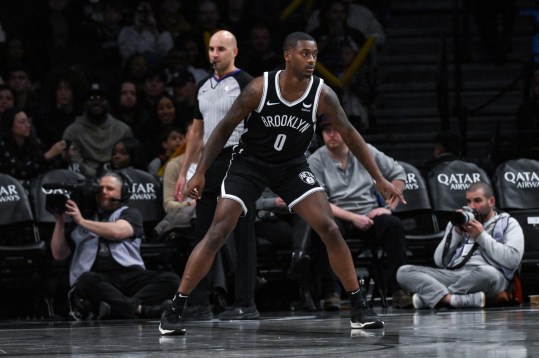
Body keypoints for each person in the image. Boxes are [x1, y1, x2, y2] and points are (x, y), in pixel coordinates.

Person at [159, 31, 405, 335]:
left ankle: (357, 307)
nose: (312, 60)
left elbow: (351, 134)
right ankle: (176, 308)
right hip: (250, 164)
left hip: (291, 167)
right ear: (287, 56)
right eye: (304, 53)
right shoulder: (259, 88)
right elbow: (223, 129)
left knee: (328, 226)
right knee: (219, 230)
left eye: (314, 54)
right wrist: (200, 172)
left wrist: (378, 177)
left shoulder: (322, 93)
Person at [172, 30, 259, 322]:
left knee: (243, 233)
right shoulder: (203, 86)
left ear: (234, 51)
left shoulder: (246, 83)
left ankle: (245, 303)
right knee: (203, 233)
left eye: (221, 49)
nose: (214, 54)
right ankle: (199, 303)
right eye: (211, 48)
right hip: (209, 163)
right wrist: (186, 171)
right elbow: (196, 132)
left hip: (239, 159)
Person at [308, 116, 409, 309]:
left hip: (369, 213)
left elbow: (398, 174)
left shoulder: (365, 151)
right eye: (326, 130)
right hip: (338, 215)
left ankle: (399, 289)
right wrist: (354, 218)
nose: (331, 134)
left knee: (393, 226)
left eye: (336, 128)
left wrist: (387, 208)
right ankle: (333, 293)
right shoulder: (316, 160)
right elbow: (319, 201)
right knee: (324, 228)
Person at [50, 171, 180, 320]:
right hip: (98, 278)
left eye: (110, 189)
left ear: (123, 192)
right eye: (101, 189)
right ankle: (140, 309)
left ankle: (117, 308)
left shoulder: (131, 214)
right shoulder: (80, 219)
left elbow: (117, 232)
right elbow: (59, 254)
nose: (104, 192)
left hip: (130, 275)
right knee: (87, 280)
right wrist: (59, 221)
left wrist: (82, 221)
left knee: (171, 279)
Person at [396, 182, 524, 309]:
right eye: (469, 201)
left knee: (488, 273)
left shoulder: (508, 223)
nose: (472, 206)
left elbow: (512, 261)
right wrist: (456, 232)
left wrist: (481, 236)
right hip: (456, 275)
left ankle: (434, 297)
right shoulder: (459, 222)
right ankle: (452, 299)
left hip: (487, 278)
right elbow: (439, 261)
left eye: (477, 201)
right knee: (403, 271)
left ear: (491, 201)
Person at [62, 83, 133, 176]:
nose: (96, 102)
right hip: (84, 180)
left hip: (118, 177)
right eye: (91, 98)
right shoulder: (72, 132)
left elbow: (130, 160)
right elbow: (75, 163)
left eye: (101, 98)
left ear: (107, 102)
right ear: (85, 103)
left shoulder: (123, 130)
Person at [0, 108, 67, 188]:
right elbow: (21, 172)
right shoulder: (3, 147)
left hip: (37, 187)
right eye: (22, 122)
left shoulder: (34, 142)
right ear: (10, 126)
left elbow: (48, 168)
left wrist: (64, 157)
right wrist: (47, 155)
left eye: (28, 121)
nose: (28, 125)